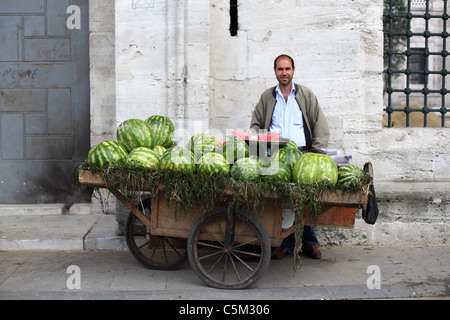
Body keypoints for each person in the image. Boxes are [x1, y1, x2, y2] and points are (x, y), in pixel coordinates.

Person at [250, 54, 330, 259]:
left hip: (303, 155)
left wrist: (318, 153)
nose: (284, 73)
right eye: (280, 69)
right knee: (284, 200)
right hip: (276, 156)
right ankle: (286, 243)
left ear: (293, 70)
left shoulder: (306, 95)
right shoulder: (268, 97)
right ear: (275, 71)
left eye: (287, 69)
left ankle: (309, 243)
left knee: (306, 200)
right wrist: (260, 153)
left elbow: (320, 123)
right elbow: (256, 125)